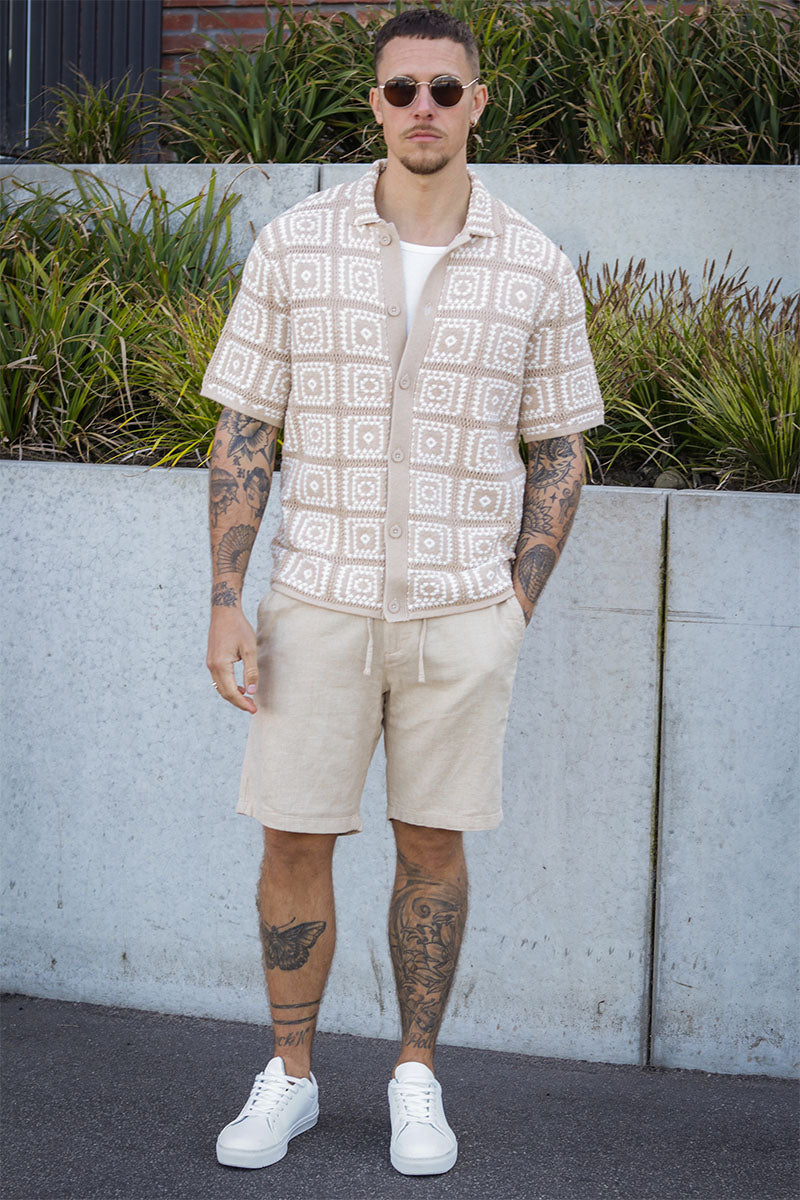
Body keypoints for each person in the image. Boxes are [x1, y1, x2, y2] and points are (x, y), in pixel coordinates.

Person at [200, 5, 604, 1178]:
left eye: (442, 88)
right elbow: (245, 428)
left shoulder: (535, 263)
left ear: (477, 102)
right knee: (293, 836)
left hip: (459, 612)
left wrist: (511, 609)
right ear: (372, 105)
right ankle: (289, 1077)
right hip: (315, 600)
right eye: (399, 90)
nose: (420, 108)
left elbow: (559, 449)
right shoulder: (296, 244)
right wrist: (226, 597)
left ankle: (414, 1078)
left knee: (432, 847)